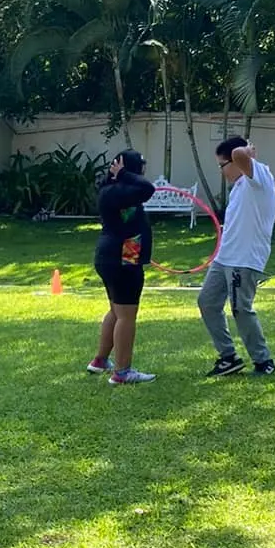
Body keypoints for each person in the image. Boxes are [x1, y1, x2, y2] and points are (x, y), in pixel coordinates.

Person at [199, 137, 275, 378]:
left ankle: (263, 361)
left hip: (244, 260)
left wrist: (246, 151)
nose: (222, 172)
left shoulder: (259, 176)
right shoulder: (240, 186)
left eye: (222, 165)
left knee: (241, 309)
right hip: (225, 258)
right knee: (207, 302)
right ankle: (228, 357)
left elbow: (238, 154)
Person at [86, 149, 157, 386]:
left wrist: (122, 173)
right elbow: (148, 188)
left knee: (116, 312)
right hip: (124, 257)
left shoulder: (113, 190)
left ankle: (100, 361)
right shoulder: (120, 190)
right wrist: (125, 173)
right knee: (127, 315)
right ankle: (122, 371)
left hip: (110, 256)